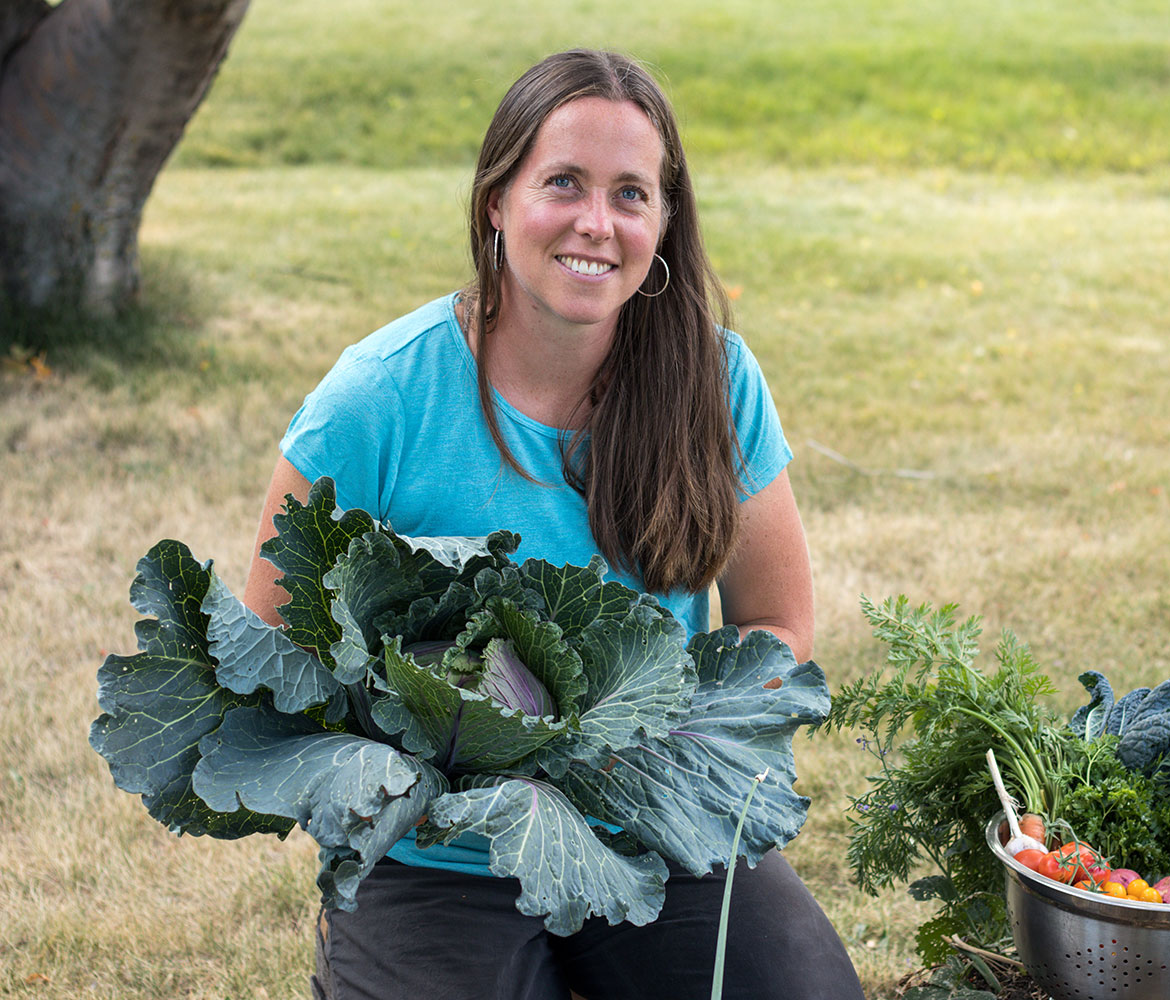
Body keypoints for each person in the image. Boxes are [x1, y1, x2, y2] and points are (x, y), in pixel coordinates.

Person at [242, 49, 865, 1000]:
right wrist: (405, 773)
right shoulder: (376, 399)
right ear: (496, 201)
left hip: (650, 829)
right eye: (561, 184)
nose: (596, 223)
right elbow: (268, 649)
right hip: (438, 860)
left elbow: (776, 625)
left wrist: (666, 753)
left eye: (631, 194)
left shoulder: (713, 380)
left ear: (663, 221)